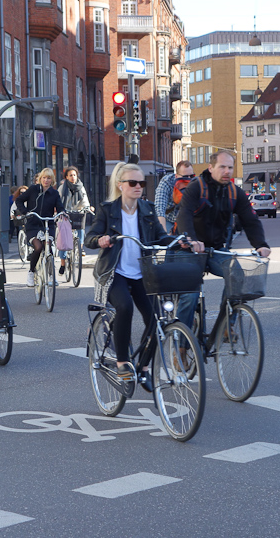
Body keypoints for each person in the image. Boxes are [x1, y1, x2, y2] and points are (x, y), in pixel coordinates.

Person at [85, 162, 203, 389]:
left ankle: (145, 367)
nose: (138, 186)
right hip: (115, 273)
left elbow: (161, 237)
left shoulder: (147, 210)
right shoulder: (107, 210)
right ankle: (122, 364)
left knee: (155, 319)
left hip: (142, 273)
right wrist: (100, 240)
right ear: (121, 185)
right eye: (133, 183)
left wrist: (182, 243)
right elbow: (90, 237)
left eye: (141, 182)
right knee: (125, 308)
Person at [175, 150, 271, 329]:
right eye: (222, 167)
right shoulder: (197, 187)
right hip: (189, 250)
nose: (227, 171)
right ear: (211, 168)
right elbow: (184, 215)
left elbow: (250, 220)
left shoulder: (235, 193)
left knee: (237, 276)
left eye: (230, 167)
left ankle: (226, 325)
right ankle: (181, 342)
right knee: (190, 295)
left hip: (216, 250)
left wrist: (261, 244)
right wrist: (191, 240)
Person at [15, 167, 65, 287]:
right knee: (38, 247)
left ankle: (51, 275)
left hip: (48, 223)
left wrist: (62, 213)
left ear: (51, 180)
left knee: (48, 246)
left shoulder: (54, 193)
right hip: (33, 224)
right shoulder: (33, 189)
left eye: (48, 178)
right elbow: (19, 200)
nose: (46, 180)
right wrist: (25, 212)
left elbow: (60, 207)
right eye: (44, 178)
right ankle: (31, 272)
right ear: (40, 179)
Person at [58, 166, 91, 275]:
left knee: (81, 229)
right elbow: (58, 200)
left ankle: (80, 248)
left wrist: (87, 207)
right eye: (70, 175)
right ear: (66, 177)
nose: (73, 177)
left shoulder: (81, 187)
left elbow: (85, 199)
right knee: (63, 238)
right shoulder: (62, 188)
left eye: (74, 175)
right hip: (65, 213)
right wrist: (58, 210)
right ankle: (63, 264)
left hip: (77, 212)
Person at [154, 160, 195, 233]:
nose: (188, 179)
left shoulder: (195, 183)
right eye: (185, 176)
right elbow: (160, 208)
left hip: (186, 220)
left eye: (191, 176)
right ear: (176, 176)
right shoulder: (167, 182)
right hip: (168, 220)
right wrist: (163, 235)